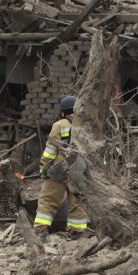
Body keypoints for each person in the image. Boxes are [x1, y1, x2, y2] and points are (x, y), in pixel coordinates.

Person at [33, 96, 88, 244]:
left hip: (59, 170)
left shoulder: (59, 124)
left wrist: (43, 168)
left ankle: (42, 231)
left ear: (63, 111)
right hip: (79, 170)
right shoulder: (85, 125)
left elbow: (50, 150)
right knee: (77, 202)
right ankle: (77, 232)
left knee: (48, 199)